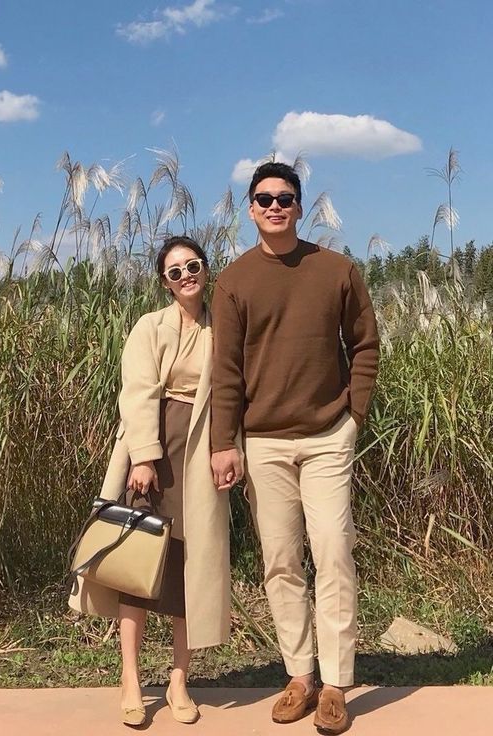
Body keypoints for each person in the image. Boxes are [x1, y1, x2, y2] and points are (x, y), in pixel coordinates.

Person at [210, 162, 379, 734]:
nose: (276, 206)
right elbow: (225, 372)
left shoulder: (336, 270)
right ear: (251, 208)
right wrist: (223, 444)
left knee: (333, 551)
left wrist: (353, 416)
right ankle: (299, 676)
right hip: (264, 443)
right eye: (264, 198)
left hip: (329, 436)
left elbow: (365, 345)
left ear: (301, 207)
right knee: (281, 561)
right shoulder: (233, 282)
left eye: (286, 197)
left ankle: (335, 684)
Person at [69, 235, 233, 726]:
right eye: (175, 271)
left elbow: (232, 391)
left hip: (200, 450)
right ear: (164, 282)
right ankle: (131, 680)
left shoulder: (221, 326)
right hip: (154, 446)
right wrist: (143, 457)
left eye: (193, 266)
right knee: (137, 564)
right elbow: (137, 392)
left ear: (206, 269)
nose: (186, 276)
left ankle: (180, 680)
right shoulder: (149, 327)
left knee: (189, 568)